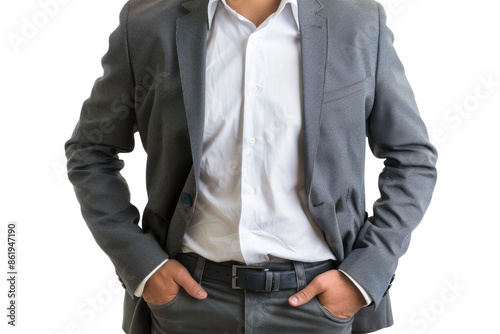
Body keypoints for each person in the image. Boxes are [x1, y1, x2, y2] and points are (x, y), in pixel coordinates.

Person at [65, 0, 437, 333]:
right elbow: (91, 150)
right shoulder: (148, 22)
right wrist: (144, 266)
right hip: (187, 305)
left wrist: (361, 275)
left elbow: (412, 157)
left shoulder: (355, 21)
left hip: (317, 307)